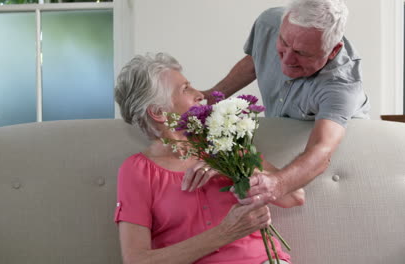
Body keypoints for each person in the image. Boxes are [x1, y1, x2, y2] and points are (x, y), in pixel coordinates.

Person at [114, 53, 305, 264]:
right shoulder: (137, 171)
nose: (200, 95)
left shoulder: (223, 142)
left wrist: (234, 169)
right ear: (159, 112)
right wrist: (226, 233)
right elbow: (136, 260)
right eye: (186, 89)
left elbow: (295, 196)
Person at [184, 0, 370, 204]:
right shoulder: (269, 22)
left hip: (333, 158)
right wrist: (211, 96)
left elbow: (321, 148)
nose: (287, 59)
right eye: (283, 42)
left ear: (333, 51)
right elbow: (255, 61)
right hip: (283, 144)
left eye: (302, 53)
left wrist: (277, 184)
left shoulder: (341, 85)